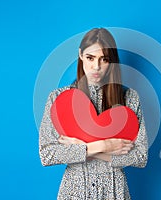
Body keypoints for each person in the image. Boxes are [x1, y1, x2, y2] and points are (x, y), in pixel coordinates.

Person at [39, 28, 148, 200]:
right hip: (74, 191)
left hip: (115, 190)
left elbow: (141, 157)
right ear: (81, 55)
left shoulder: (129, 98)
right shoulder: (58, 99)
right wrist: (104, 146)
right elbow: (47, 154)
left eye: (103, 59)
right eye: (90, 58)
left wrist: (81, 147)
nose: (96, 67)